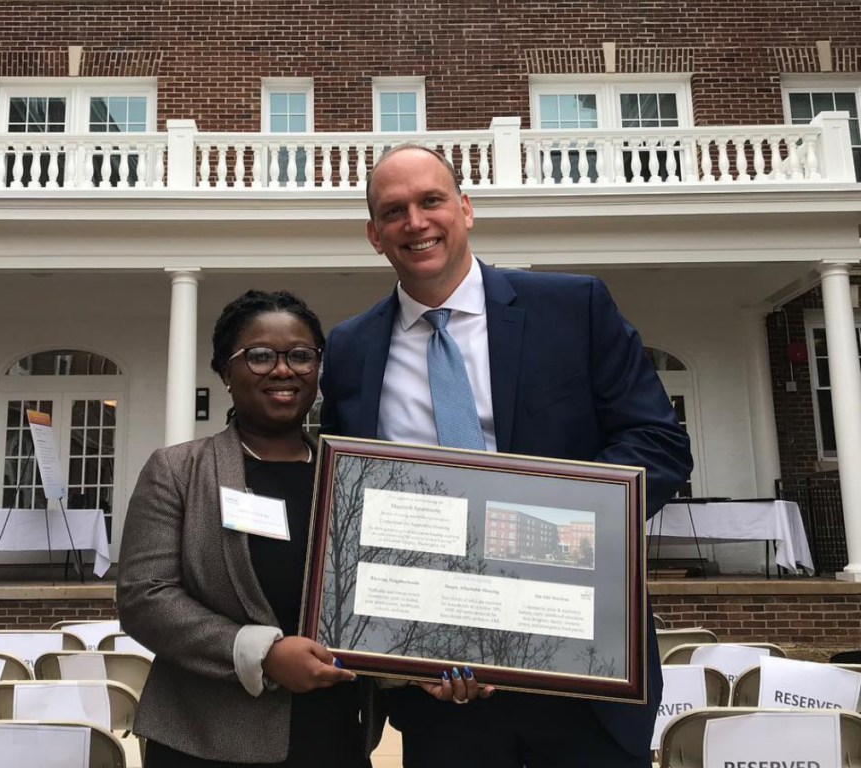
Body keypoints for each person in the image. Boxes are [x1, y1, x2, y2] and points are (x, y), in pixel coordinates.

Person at [319, 145, 694, 768]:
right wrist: (398, 645)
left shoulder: (574, 307)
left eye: (431, 200)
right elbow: (353, 509)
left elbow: (657, 443)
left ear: (465, 208)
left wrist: (546, 535)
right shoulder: (352, 346)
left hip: (580, 660)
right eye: (394, 211)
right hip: (439, 684)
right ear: (373, 234)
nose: (415, 222)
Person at [118, 290, 383, 767]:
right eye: (259, 356)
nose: (283, 370)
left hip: (333, 733)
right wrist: (262, 654)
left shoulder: (350, 475)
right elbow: (144, 597)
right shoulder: (178, 471)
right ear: (225, 370)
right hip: (206, 739)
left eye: (301, 356)